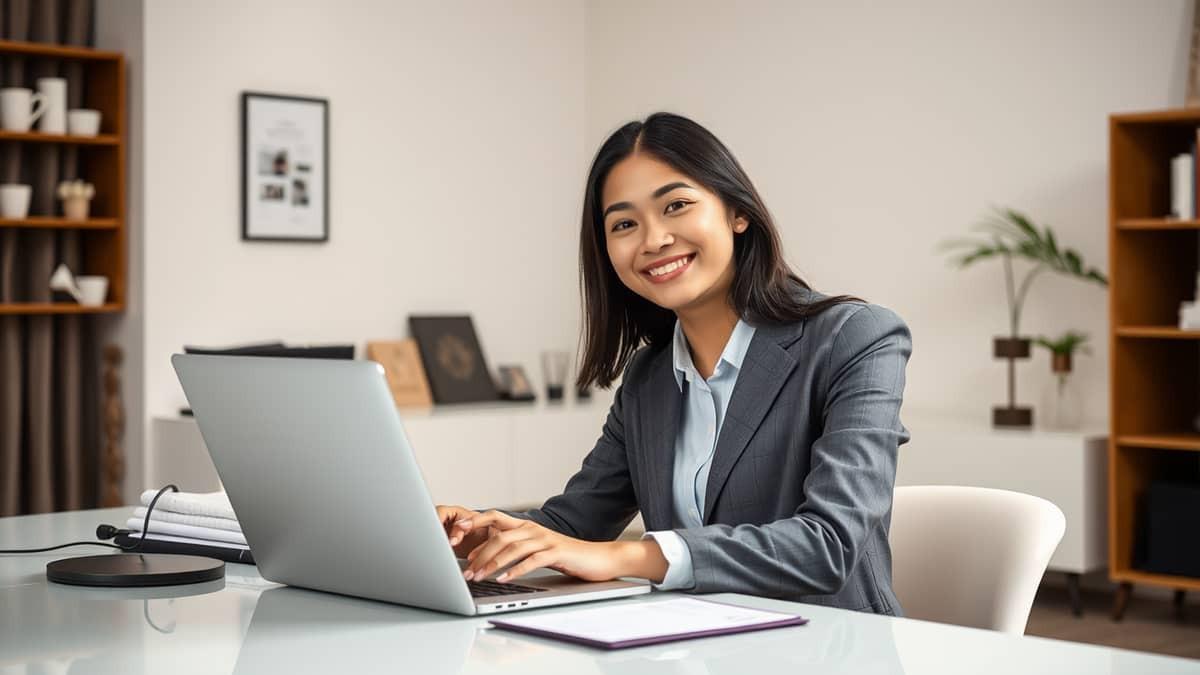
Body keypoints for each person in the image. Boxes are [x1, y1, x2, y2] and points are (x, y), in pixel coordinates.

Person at [436, 112, 912, 615]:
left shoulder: (855, 337)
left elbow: (828, 545)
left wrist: (628, 555)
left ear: (737, 212)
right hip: (696, 642)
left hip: (833, 644)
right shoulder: (649, 376)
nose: (653, 239)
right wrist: (478, 533)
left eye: (676, 206)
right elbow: (576, 526)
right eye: (624, 224)